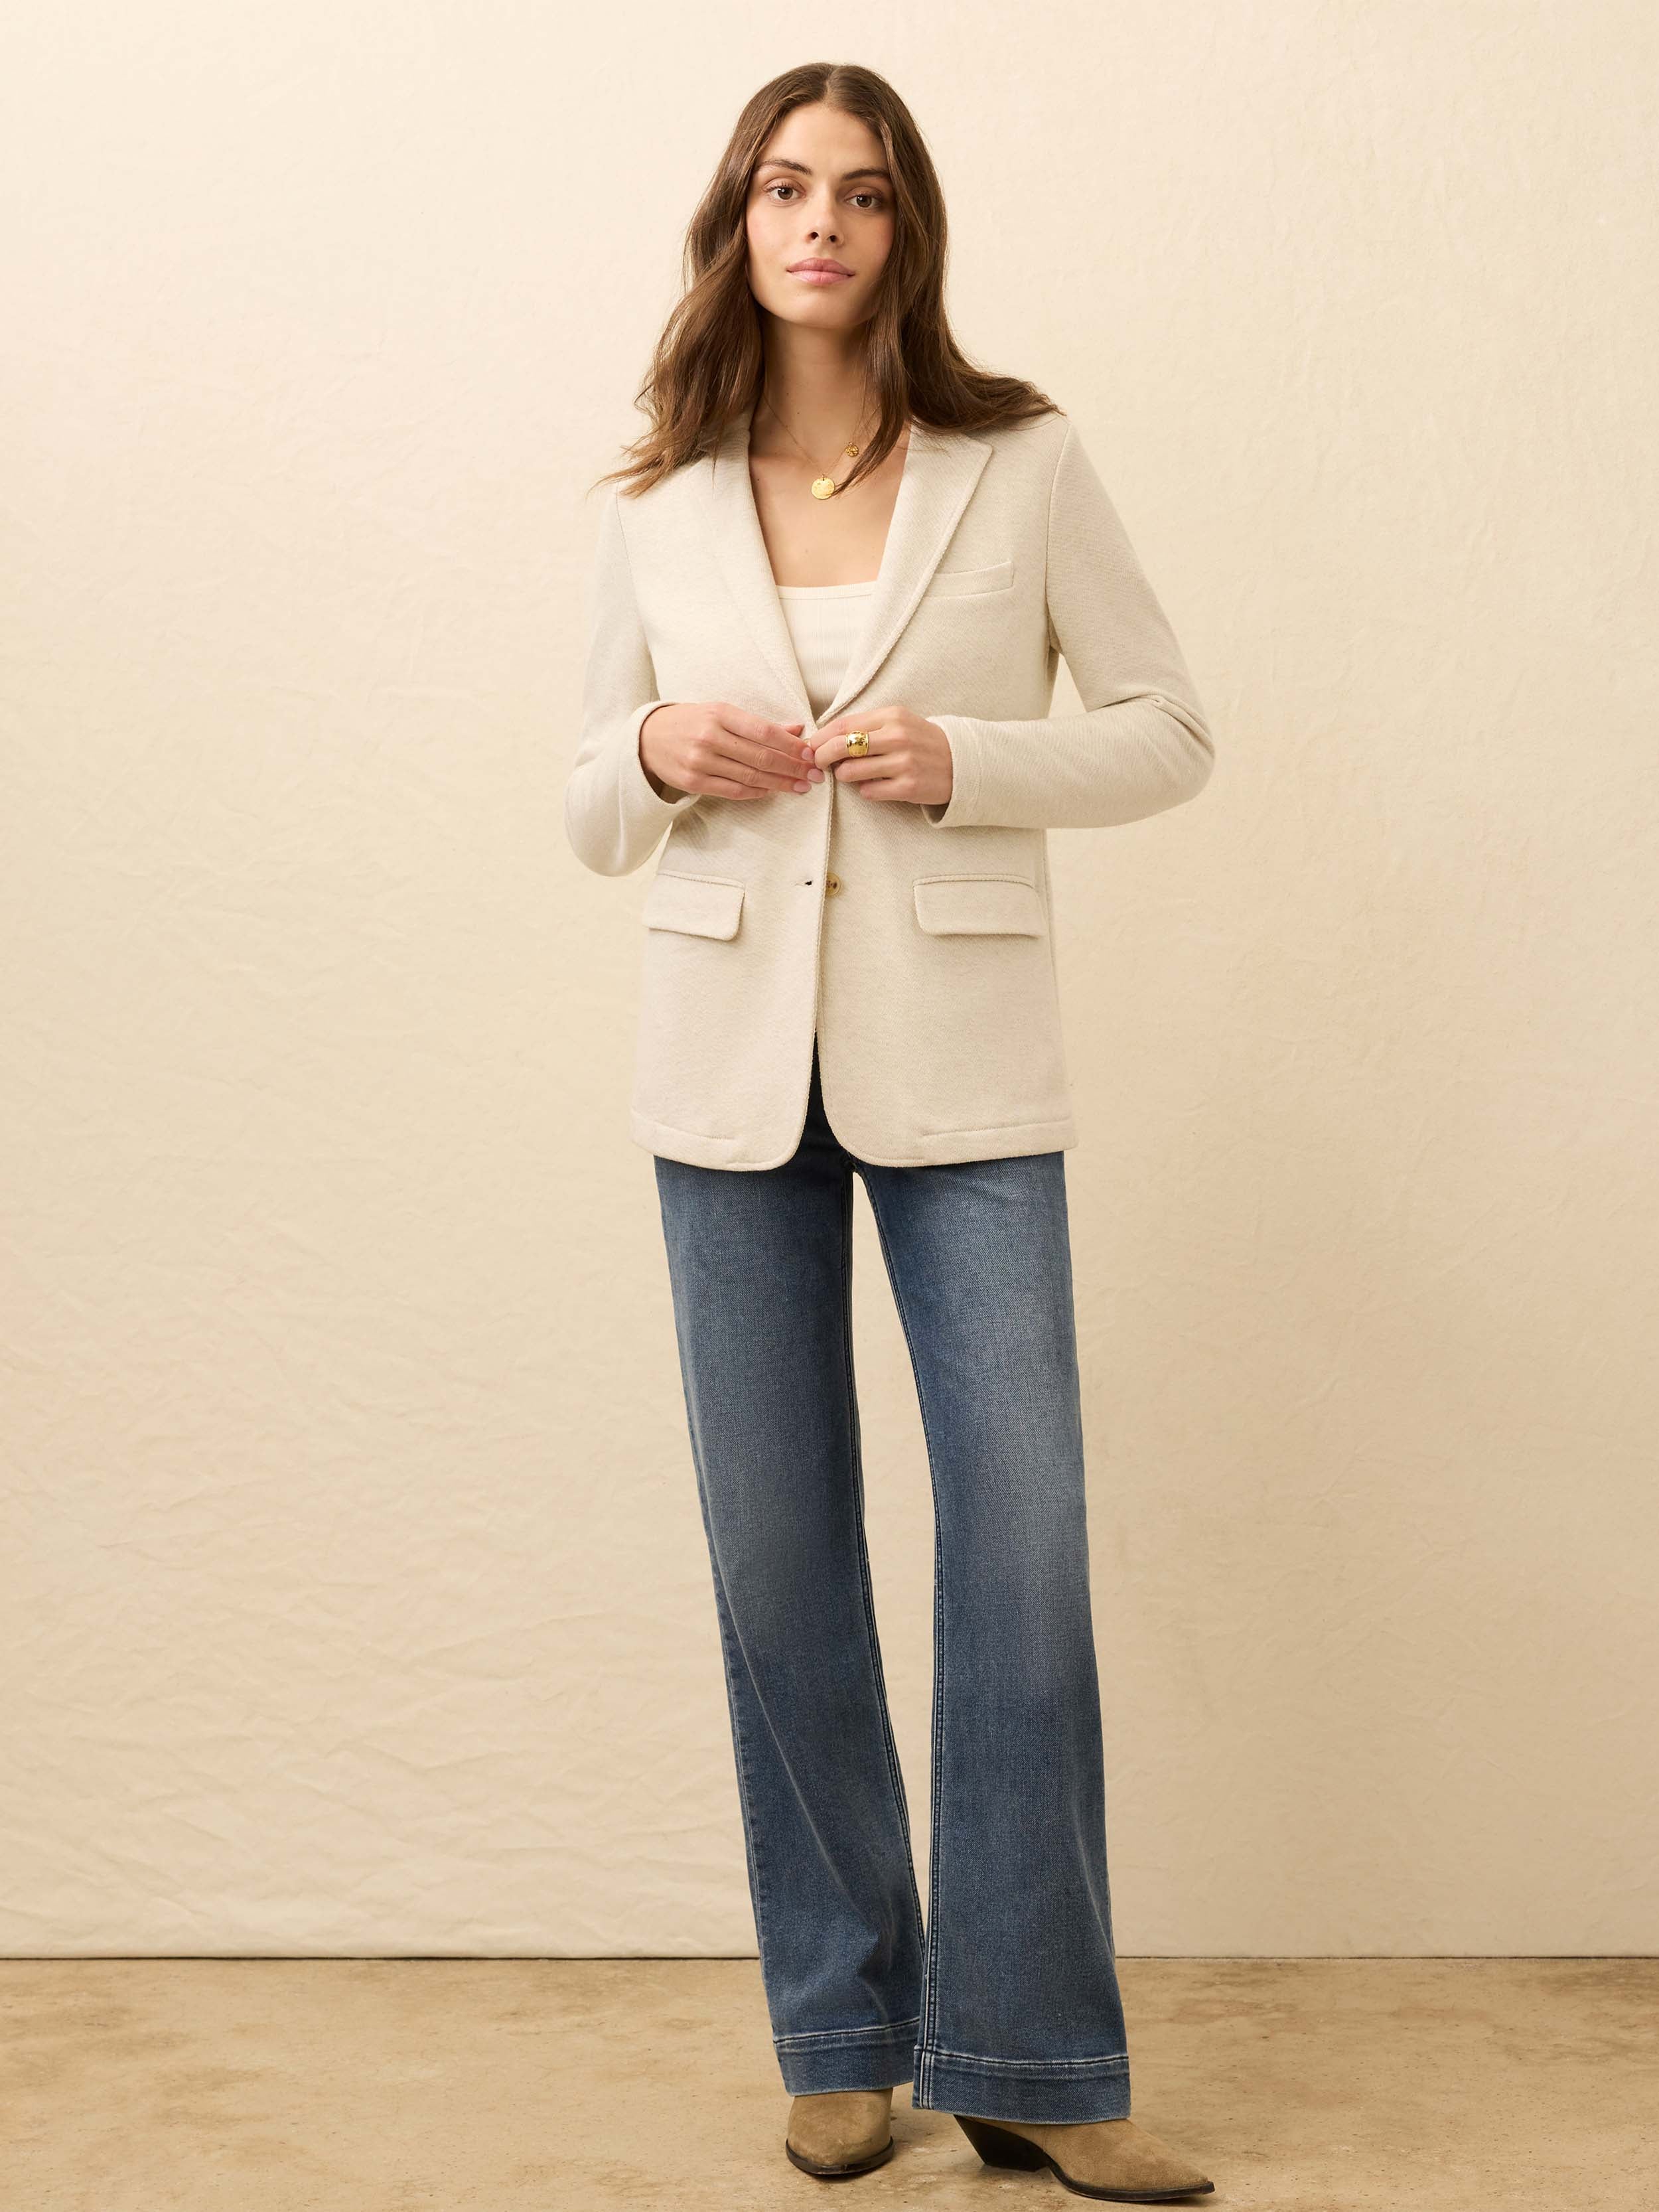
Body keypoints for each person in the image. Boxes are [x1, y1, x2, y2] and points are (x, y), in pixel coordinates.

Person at [565, 60, 1218, 2204]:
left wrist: (970, 758)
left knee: (1016, 1547)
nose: (818, 221)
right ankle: (843, 2032)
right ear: (736, 222)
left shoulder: (1015, 464)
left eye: (856, 190)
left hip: (964, 1065)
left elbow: (1165, 733)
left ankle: (1030, 2050)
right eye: (782, 187)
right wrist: (659, 736)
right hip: (723, 1067)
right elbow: (584, 800)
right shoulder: (658, 498)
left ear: (903, 225)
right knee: (778, 1564)